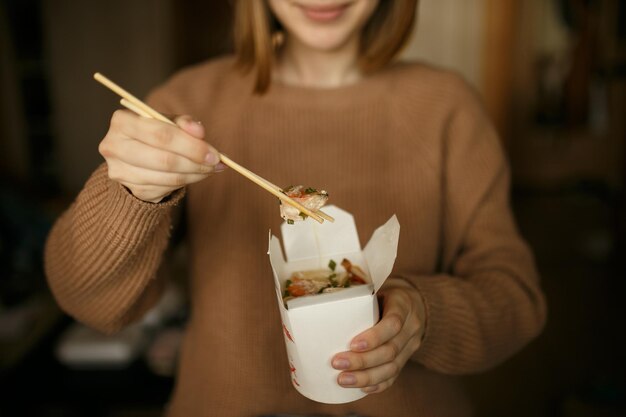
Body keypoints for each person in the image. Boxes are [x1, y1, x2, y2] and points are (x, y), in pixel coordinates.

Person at [44, 1, 547, 416]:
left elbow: (516, 299)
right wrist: (130, 196)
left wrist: (424, 316)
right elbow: (91, 305)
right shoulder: (187, 102)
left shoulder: (447, 106)